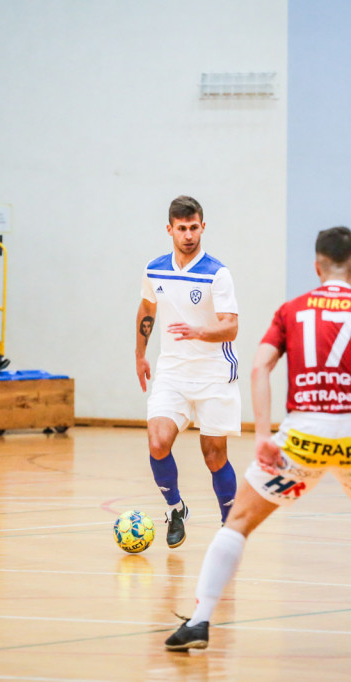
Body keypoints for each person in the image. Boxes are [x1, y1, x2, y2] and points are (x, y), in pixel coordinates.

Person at [165, 226, 351, 652]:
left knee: (240, 523)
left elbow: (258, 368)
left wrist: (264, 433)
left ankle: (200, 621)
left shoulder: (292, 310)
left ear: (316, 266)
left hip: (302, 437)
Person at [135, 195, 240, 547]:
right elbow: (147, 307)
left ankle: (230, 530)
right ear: (170, 230)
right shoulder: (155, 268)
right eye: (182, 228)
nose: (189, 235)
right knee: (157, 441)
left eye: (194, 227)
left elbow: (230, 328)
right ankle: (175, 508)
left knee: (214, 456)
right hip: (172, 373)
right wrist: (140, 355)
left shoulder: (217, 274)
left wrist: (200, 332)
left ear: (202, 227)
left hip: (214, 373)